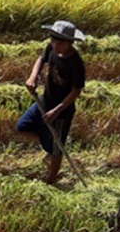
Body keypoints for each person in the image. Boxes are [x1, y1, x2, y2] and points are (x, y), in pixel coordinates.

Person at [16, 20, 86, 184]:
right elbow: (41, 60)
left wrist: (57, 110)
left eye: (60, 43)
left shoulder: (76, 64)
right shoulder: (51, 48)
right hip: (45, 101)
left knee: (57, 147)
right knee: (22, 127)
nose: (55, 46)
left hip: (62, 111)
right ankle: (48, 147)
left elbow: (76, 91)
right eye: (53, 41)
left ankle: (51, 178)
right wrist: (33, 77)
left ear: (70, 43)